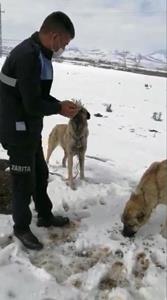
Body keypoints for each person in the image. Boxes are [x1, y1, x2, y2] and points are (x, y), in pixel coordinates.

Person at [0, 11, 78, 250]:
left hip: (29, 127)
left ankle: (45, 214)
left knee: (41, 173)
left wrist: (58, 104)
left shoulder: (41, 55)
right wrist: (58, 108)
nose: (63, 48)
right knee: (24, 180)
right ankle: (21, 228)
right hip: (16, 129)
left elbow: (37, 95)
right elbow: (32, 104)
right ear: (54, 36)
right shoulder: (27, 56)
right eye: (64, 43)